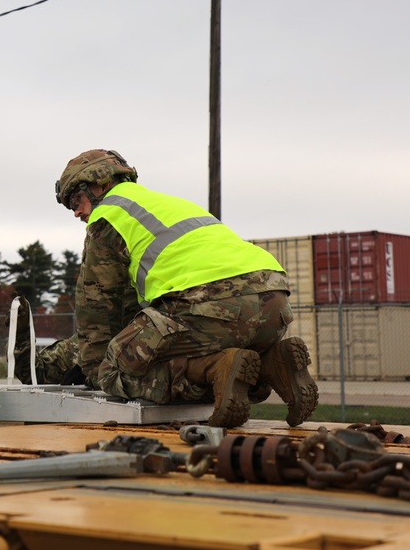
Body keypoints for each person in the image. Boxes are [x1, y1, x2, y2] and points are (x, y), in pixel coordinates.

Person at [54, 149, 318, 428]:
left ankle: (217, 370)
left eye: (75, 200)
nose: (76, 212)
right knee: (172, 352)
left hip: (208, 303)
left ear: (100, 184)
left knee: (111, 370)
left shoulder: (107, 217)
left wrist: (94, 370)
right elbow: (131, 304)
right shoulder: (167, 204)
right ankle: (271, 365)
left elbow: (96, 306)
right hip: (275, 304)